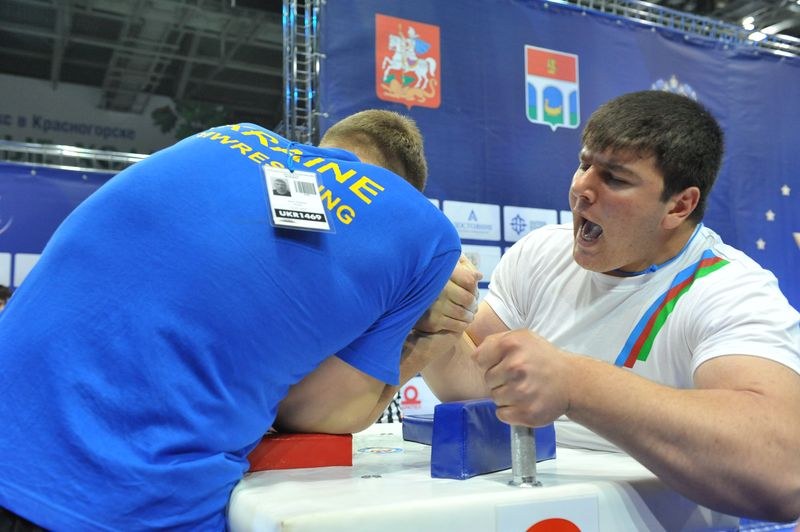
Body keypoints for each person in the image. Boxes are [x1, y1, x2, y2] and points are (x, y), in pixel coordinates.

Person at [0, 110, 481, 530]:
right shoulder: (423, 231)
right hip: (124, 501)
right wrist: (431, 337)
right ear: (407, 189)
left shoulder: (225, 137)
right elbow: (320, 413)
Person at [417, 91, 800, 523]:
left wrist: (573, 384)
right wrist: (432, 324)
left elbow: (783, 471)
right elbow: (480, 388)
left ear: (679, 205)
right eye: (585, 165)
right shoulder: (541, 253)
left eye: (615, 179)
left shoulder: (729, 287)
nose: (581, 188)